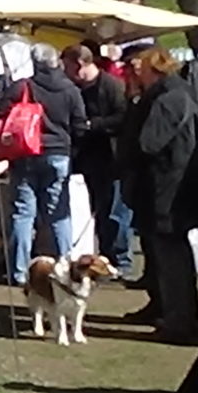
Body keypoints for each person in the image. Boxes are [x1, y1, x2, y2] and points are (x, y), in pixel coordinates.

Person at [120, 48, 198, 344]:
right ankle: (169, 312)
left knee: (173, 259)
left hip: (169, 190)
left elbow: (148, 142)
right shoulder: (174, 94)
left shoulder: (171, 98)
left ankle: (181, 322)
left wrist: (135, 103)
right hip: (167, 188)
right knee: (164, 256)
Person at [0, 43, 88, 286]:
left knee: (23, 214)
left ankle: (19, 272)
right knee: (58, 214)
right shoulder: (70, 89)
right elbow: (79, 126)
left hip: (24, 153)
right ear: (56, 62)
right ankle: (65, 266)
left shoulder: (22, 87)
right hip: (58, 155)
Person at [66, 44, 133, 267]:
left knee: (115, 212)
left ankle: (121, 259)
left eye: (68, 66)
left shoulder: (112, 86)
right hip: (88, 158)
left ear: (80, 64)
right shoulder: (75, 89)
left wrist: (93, 125)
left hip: (111, 157)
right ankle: (105, 256)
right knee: (99, 210)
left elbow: (123, 118)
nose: (65, 72)